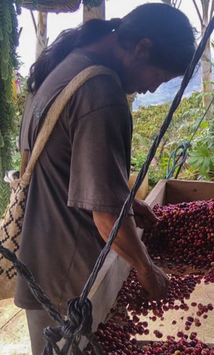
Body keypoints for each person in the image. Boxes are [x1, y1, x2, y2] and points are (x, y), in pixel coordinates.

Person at [16, 4, 196, 354]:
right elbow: (107, 218)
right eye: (158, 76)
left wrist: (124, 200)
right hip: (74, 289)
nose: (151, 88)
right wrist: (146, 269)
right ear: (141, 48)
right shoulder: (101, 92)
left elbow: (65, 170)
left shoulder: (67, 66)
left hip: (42, 269)